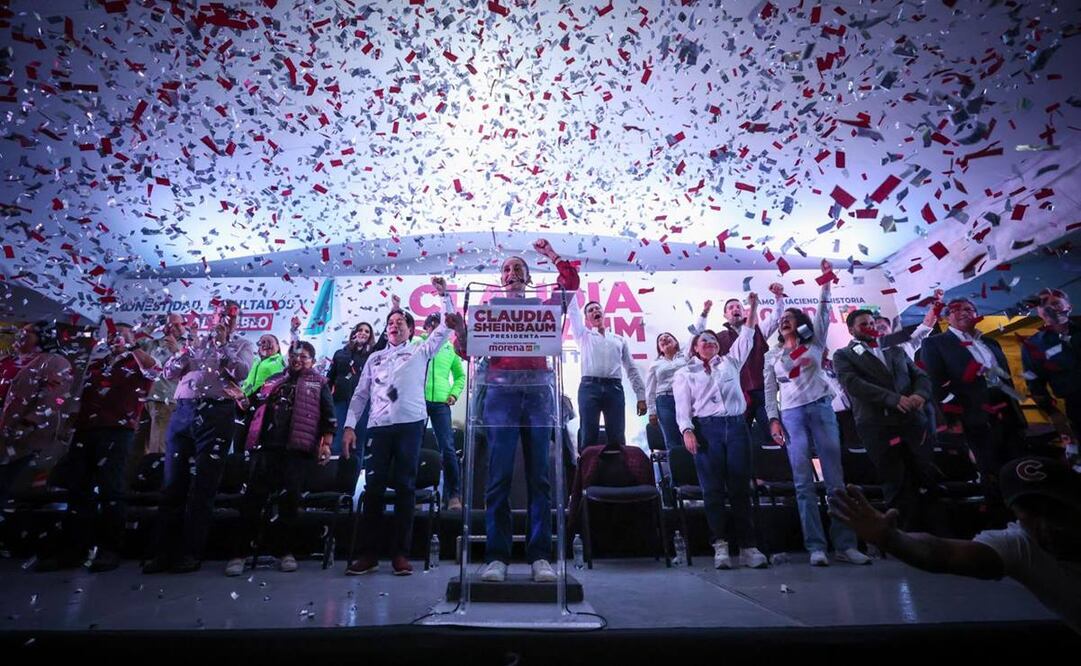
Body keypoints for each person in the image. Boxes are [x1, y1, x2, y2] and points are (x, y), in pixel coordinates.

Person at [829, 456, 1081, 634]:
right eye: (1031, 513)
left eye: (1056, 510)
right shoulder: (1021, 545)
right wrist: (892, 540)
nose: (1046, 524)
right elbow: (942, 553)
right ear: (1015, 514)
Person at [468, 239, 580, 584]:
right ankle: (496, 556)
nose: (512, 272)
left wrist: (551, 255)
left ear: (528, 278)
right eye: (506, 269)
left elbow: (571, 283)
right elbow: (465, 349)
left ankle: (540, 556)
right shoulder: (487, 312)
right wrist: (459, 330)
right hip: (500, 395)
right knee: (498, 478)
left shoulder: (545, 309)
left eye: (518, 268)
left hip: (537, 395)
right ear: (501, 279)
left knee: (540, 478)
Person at [343, 277, 453, 577]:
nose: (394, 326)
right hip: (378, 428)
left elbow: (446, 326)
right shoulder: (374, 358)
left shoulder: (421, 350)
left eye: (400, 322)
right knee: (373, 490)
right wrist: (350, 426)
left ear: (410, 329)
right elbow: (360, 395)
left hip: (410, 426)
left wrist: (444, 296)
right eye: (390, 323)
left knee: (405, 487)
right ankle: (368, 555)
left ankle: (401, 555)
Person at [764, 261, 871, 567]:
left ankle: (845, 545)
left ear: (799, 322)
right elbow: (770, 390)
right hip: (792, 415)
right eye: (781, 319)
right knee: (802, 483)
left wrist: (825, 282)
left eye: (789, 318)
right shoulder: (772, 354)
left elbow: (823, 312)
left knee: (835, 480)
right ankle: (816, 546)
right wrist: (773, 419)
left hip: (821, 408)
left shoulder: (815, 341)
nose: (784, 321)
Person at [35, 323, 159, 572]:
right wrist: (68, 425)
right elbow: (79, 397)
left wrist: (132, 346)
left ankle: (109, 550)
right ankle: (73, 551)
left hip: (117, 430)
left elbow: (154, 369)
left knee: (112, 489)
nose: (116, 339)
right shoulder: (96, 365)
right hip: (86, 429)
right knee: (79, 490)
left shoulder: (137, 363)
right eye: (113, 335)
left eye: (122, 335)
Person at [143, 299, 254, 574]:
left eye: (230, 316)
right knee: (173, 483)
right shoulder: (195, 342)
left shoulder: (242, 344)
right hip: (184, 411)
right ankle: (162, 552)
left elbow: (240, 373)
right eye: (220, 314)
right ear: (211, 317)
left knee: (204, 485)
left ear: (237, 320)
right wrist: (187, 349)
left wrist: (223, 345)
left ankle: (190, 552)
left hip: (217, 413)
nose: (224, 319)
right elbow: (169, 372)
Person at [674, 292, 769, 570]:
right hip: (707, 431)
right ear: (695, 347)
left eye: (713, 341)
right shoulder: (685, 373)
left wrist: (753, 306)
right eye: (703, 341)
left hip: (737, 427)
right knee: (713, 489)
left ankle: (748, 547)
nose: (709, 343)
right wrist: (687, 431)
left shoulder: (730, 362)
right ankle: (720, 545)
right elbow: (683, 407)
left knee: (740, 487)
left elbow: (748, 335)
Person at [225, 341, 336, 576]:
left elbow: (329, 417)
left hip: (297, 451)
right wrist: (241, 399)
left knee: (290, 502)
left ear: (312, 361)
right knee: (252, 501)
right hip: (265, 448)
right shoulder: (273, 380)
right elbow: (251, 405)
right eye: (294, 355)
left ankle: (285, 552)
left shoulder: (319, 382)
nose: (298, 360)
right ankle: (239, 554)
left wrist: (326, 444)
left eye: (304, 357)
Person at [834, 309, 946, 534]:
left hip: (912, 422)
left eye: (872, 322)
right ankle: (903, 537)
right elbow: (853, 384)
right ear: (851, 330)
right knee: (896, 482)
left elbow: (920, 375)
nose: (870, 326)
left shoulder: (894, 349)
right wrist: (893, 399)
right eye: (864, 324)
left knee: (926, 475)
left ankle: (938, 534)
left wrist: (920, 395)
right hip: (878, 425)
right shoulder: (844, 355)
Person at [920, 298, 1027, 524]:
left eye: (969, 309)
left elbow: (1005, 377)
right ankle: (1002, 521)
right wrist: (953, 417)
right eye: (956, 310)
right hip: (973, 415)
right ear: (946, 317)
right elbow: (936, 383)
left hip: (1007, 409)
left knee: (1018, 463)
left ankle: (1026, 517)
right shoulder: (935, 343)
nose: (964, 312)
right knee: (990, 468)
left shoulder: (990, 342)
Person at [694, 284, 785, 449]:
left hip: (763, 391)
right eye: (730, 308)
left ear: (745, 312)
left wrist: (778, 297)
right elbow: (698, 336)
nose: (735, 309)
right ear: (725, 315)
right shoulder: (719, 339)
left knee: (776, 435)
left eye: (738, 307)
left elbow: (775, 317)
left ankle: (783, 465)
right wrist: (705, 312)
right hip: (738, 394)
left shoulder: (758, 330)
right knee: (740, 442)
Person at [0, 321, 73, 508]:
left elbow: (57, 398)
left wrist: (31, 422)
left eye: (28, 333)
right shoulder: (9, 360)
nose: (21, 336)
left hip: (23, 435)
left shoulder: (55, 362)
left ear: (43, 337)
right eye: (21, 332)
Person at [567, 290, 647, 450]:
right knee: (588, 435)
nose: (595, 311)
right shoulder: (583, 336)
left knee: (617, 436)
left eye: (597, 308)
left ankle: (619, 466)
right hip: (589, 388)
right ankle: (588, 466)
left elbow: (631, 369)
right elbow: (574, 312)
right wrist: (570, 287)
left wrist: (641, 396)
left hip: (614, 388)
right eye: (590, 310)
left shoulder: (619, 340)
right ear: (587, 319)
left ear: (603, 313)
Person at [419, 312, 466, 511]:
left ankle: (453, 495)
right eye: (432, 326)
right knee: (412, 447)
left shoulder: (450, 348)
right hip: (417, 402)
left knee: (448, 448)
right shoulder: (417, 343)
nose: (435, 329)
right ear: (426, 328)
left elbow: (460, 376)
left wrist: (453, 394)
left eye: (439, 326)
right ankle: (413, 494)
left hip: (441, 403)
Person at [1021, 288, 1081, 438]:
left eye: (1055, 303)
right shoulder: (1033, 345)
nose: (1050, 308)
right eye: (1043, 305)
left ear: (1069, 307)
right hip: (1076, 407)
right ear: (1039, 312)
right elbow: (1035, 383)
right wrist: (1053, 413)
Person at [142, 314, 187, 455]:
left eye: (177, 324)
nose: (173, 328)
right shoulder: (153, 343)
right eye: (169, 324)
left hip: (165, 399)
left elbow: (189, 368)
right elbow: (133, 344)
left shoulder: (189, 344)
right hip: (143, 399)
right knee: (138, 447)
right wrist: (150, 326)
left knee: (158, 445)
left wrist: (176, 351)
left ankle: (156, 469)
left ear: (184, 325)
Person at [646, 331, 688, 452]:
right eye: (661, 340)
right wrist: (652, 411)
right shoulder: (655, 364)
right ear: (659, 348)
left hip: (686, 398)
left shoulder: (686, 357)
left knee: (691, 435)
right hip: (664, 401)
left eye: (668, 337)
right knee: (672, 439)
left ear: (676, 342)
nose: (664, 339)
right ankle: (677, 464)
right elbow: (650, 388)